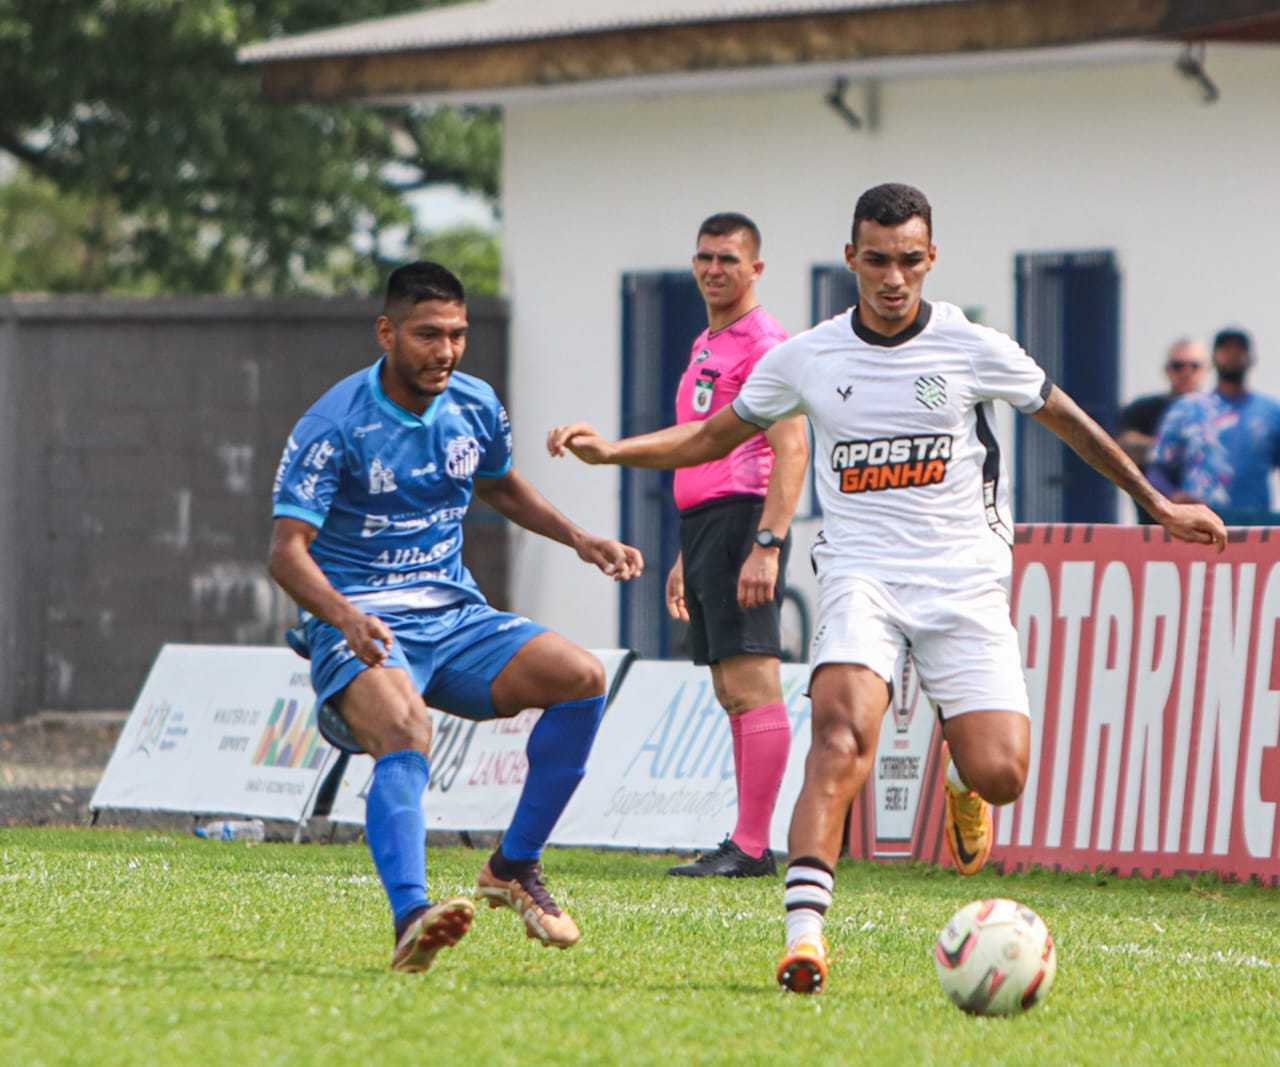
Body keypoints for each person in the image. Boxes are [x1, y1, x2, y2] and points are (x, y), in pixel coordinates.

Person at [546, 183, 1227, 995]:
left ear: (931, 258)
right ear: (851, 260)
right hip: (860, 575)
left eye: (909, 259)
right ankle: (805, 938)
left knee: (1003, 772)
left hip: (965, 577)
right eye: (877, 260)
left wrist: (1156, 504)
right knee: (840, 738)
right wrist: (612, 452)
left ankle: (962, 780)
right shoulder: (808, 355)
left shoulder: (974, 346)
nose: (893, 277)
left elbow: (1066, 416)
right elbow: (710, 434)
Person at [268, 261, 644, 973]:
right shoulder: (334, 424)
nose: (445, 350)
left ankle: (512, 867)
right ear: (387, 332)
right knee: (408, 728)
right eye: (427, 334)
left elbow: (500, 485)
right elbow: (286, 553)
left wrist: (581, 538)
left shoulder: (474, 403)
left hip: (454, 614)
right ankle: (413, 916)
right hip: (364, 623)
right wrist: (344, 615)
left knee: (581, 675)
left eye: (457, 334)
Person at [662, 213, 808, 878]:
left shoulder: (765, 344)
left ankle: (752, 845)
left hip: (743, 518)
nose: (713, 269)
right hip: (705, 527)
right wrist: (681, 557)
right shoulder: (707, 340)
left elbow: (791, 448)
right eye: (704, 258)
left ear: (756, 268)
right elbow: (698, 446)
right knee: (730, 687)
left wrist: (768, 543)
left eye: (727, 258)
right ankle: (744, 840)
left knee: (752, 682)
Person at [1147, 326, 1280, 515]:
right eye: (1225, 349)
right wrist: (1173, 499)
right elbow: (1157, 470)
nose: (1232, 355)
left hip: (1255, 527)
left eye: (1239, 349)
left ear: (1251, 358)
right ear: (1213, 358)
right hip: (1200, 527)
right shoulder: (1187, 409)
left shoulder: (1273, 412)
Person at [1116, 338, 1208, 523]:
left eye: (1194, 366)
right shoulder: (1143, 409)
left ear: (1206, 370)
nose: (1186, 372)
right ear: (1167, 370)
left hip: (1209, 518)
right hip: (1154, 520)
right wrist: (1175, 447)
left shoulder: (1217, 413)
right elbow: (1122, 447)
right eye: (1178, 366)